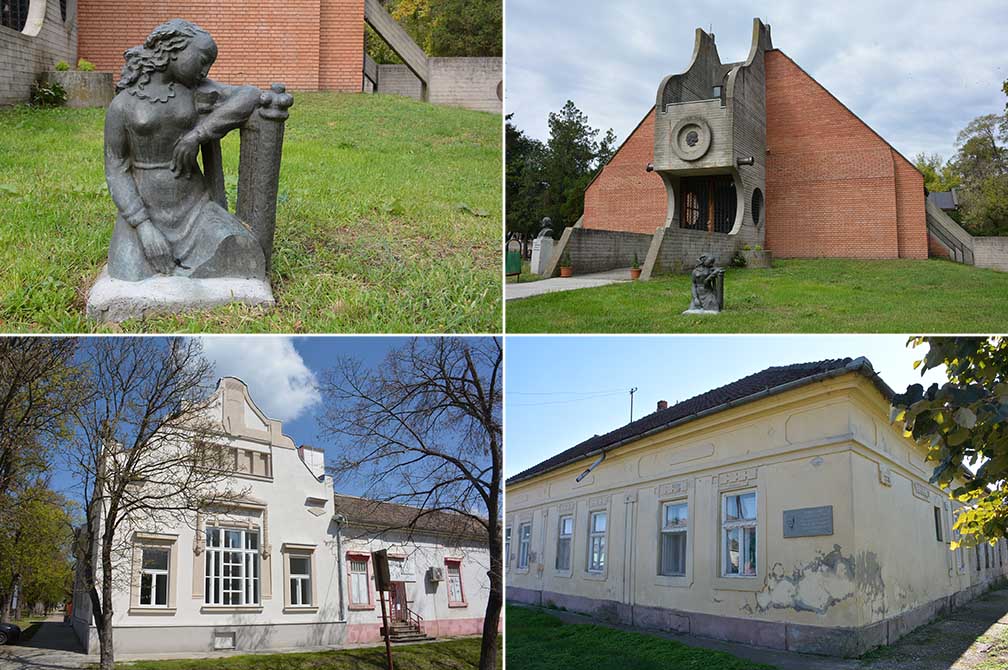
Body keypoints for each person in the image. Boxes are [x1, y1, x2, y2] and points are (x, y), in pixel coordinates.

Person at [103, 19, 267, 281]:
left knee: (243, 255)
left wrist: (198, 135)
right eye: (203, 59)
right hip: (144, 210)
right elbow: (115, 168)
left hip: (195, 206)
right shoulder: (123, 104)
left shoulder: (196, 91)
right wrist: (143, 226)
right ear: (174, 49)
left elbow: (250, 94)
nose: (206, 70)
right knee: (128, 273)